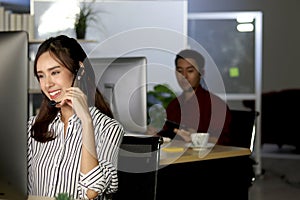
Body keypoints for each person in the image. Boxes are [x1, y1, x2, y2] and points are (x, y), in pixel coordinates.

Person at [27, 35, 125, 199]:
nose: (47, 83)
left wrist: (86, 122)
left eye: (55, 72)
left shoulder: (108, 129)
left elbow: (91, 192)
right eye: (41, 75)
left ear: (79, 71)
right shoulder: (33, 127)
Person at [156, 49, 232, 145]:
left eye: (190, 71)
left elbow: (224, 142)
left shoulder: (216, 105)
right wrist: (154, 134)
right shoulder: (174, 105)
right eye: (180, 71)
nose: (184, 76)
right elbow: (165, 134)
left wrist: (196, 137)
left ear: (202, 73)